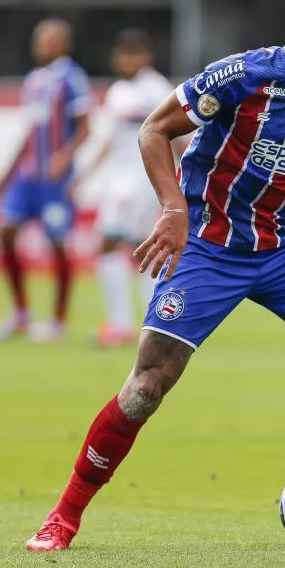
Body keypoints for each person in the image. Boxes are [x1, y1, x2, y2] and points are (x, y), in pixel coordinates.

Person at [25, 0, 285, 552]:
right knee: (145, 388)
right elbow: (154, 129)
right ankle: (64, 516)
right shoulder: (243, 77)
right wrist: (173, 209)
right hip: (209, 248)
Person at [73, 28, 179, 347]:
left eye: (133, 54)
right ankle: (155, 321)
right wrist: (85, 175)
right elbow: (107, 141)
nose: (126, 60)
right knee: (139, 248)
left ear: (145, 57)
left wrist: (182, 175)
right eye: (122, 54)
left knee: (108, 243)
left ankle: (121, 324)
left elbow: (175, 134)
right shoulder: (118, 92)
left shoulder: (155, 88)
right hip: (120, 180)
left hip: (143, 180)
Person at [0, 18, 93, 343]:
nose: (41, 45)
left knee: (58, 244)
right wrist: (7, 172)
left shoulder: (72, 78)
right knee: (5, 231)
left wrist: (63, 157)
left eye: (48, 39)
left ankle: (58, 321)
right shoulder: (34, 80)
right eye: (38, 39)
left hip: (55, 180)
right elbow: (30, 130)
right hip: (28, 177)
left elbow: (86, 127)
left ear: (63, 44)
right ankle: (20, 312)